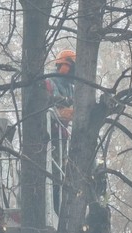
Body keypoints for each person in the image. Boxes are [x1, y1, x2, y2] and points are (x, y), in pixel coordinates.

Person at [45, 50, 76, 214]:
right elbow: (55, 100)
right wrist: (68, 105)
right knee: (54, 169)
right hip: (51, 132)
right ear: (61, 65)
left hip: (62, 133)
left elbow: (73, 105)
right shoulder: (50, 81)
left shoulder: (71, 87)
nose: (69, 70)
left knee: (62, 168)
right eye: (68, 66)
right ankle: (54, 206)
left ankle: (60, 206)